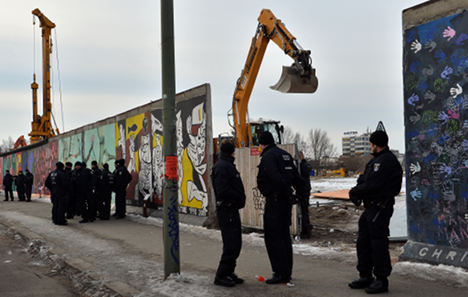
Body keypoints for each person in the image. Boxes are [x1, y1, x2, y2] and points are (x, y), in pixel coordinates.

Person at [348, 130, 402, 294]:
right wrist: (358, 190)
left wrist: (356, 192)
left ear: (376, 144)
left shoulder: (386, 161)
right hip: (371, 207)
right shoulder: (375, 161)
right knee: (363, 241)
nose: (370, 146)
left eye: (371, 143)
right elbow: (365, 179)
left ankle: (381, 279)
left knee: (378, 243)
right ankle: (365, 275)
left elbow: (374, 185)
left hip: (380, 207)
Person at [256, 131, 305, 285]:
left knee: (273, 238)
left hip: (275, 201)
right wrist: (298, 195)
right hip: (284, 202)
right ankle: (286, 272)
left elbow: (274, 177)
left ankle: (279, 273)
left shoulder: (268, 157)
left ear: (263, 144)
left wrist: (287, 192)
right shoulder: (285, 155)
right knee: (284, 237)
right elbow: (296, 178)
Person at [211, 141, 246, 287]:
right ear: (231, 152)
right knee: (231, 243)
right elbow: (223, 190)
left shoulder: (226, 165)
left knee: (236, 243)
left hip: (231, 209)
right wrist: (237, 198)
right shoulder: (222, 167)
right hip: (227, 209)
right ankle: (221, 275)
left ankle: (229, 271)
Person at [298, 151, 312, 239]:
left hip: (303, 190)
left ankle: (305, 230)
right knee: (304, 210)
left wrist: (303, 160)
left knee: (304, 211)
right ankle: (305, 229)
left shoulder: (303, 165)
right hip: (304, 190)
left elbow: (307, 171)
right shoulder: (303, 164)